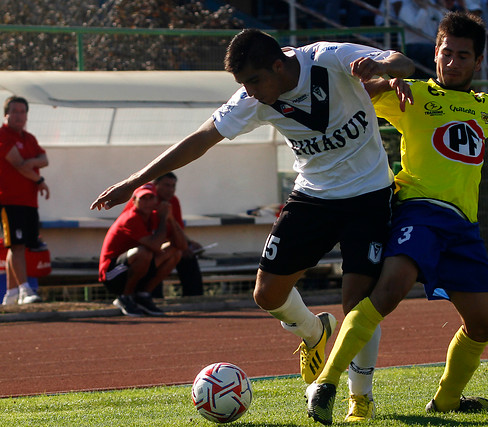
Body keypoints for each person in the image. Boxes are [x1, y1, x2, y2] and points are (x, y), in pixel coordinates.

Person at [91, 29, 414, 420]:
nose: (250, 91)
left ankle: (359, 397)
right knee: (267, 294)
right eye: (243, 84)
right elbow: (199, 140)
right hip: (314, 196)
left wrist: (380, 66)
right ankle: (314, 333)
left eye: (255, 81)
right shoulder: (253, 98)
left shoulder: (329, 57)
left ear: (279, 65)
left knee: (356, 304)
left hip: (368, 196)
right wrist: (132, 182)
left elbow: (402, 61)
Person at [304, 11, 488, 425]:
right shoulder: (411, 95)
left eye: (462, 56)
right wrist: (379, 76)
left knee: (483, 324)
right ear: (435, 53)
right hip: (419, 210)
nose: (452, 62)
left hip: (464, 228)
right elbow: (352, 97)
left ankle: (447, 401)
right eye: (446, 53)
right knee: (391, 288)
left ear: (478, 62)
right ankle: (326, 383)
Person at [98, 183, 188, 317]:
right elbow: (155, 246)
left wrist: (171, 219)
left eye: (150, 198)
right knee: (143, 253)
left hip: (138, 267)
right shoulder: (130, 218)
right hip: (112, 275)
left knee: (175, 252)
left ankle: (143, 296)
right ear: (134, 201)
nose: (147, 202)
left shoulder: (155, 216)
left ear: (156, 201)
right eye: (142, 199)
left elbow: (182, 246)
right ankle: (125, 297)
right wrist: (164, 219)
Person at [122, 172, 205, 298]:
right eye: (166, 185)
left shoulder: (172, 202)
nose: (170, 190)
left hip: (156, 245)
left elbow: (175, 229)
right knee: (153, 255)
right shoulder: (142, 207)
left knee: (185, 254)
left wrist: (188, 242)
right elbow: (150, 240)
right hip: (134, 253)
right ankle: (145, 296)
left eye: (173, 186)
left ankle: (194, 298)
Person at [0, 96, 50, 306]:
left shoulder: (29, 138)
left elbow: (44, 159)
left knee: (18, 246)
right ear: (6, 114)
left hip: (29, 201)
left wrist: (30, 164)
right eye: (15, 111)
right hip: (9, 200)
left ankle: (10, 294)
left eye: (23, 111)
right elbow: (18, 164)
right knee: (17, 246)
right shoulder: (2, 135)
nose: (19, 115)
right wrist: (38, 177)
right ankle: (24, 290)